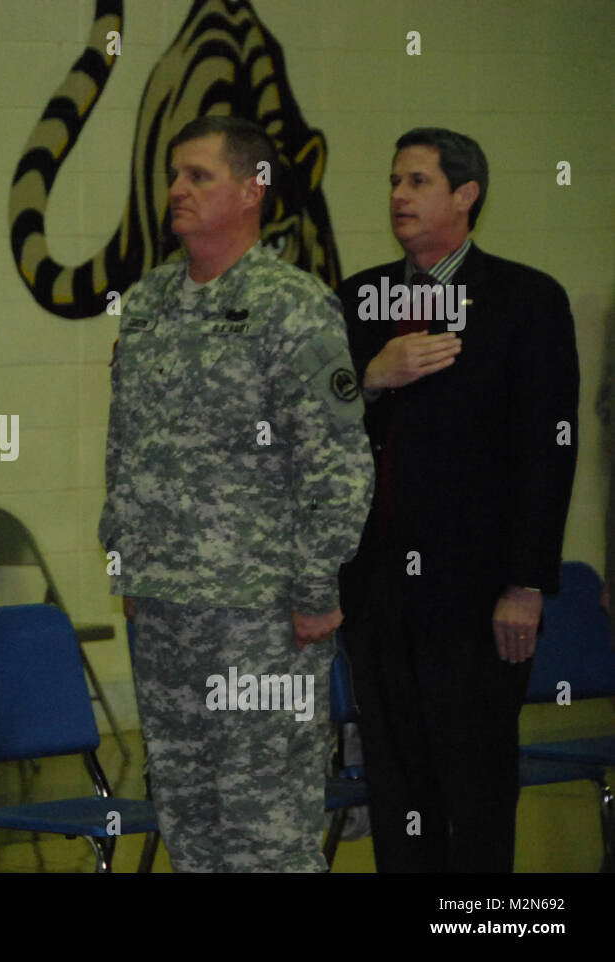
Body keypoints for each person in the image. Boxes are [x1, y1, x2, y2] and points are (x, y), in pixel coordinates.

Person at [99, 116, 374, 872]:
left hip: (258, 613)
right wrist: (126, 561)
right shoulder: (150, 303)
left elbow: (336, 457)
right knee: (189, 824)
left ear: (253, 191)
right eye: (173, 177)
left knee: (265, 829)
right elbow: (125, 445)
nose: (177, 190)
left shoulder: (293, 306)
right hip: (163, 607)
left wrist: (317, 583)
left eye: (198, 176)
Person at [338, 128, 579, 872]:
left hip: (477, 597)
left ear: (466, 195)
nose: (398, 197)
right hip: (377, 590)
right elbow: (316, 429)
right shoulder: (359, 299)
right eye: (393, 181)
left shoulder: (524, 299)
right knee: (396, 786)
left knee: (473, 788)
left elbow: (549, 450)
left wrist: (527, 582)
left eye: (417, 182)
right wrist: (373, 375)